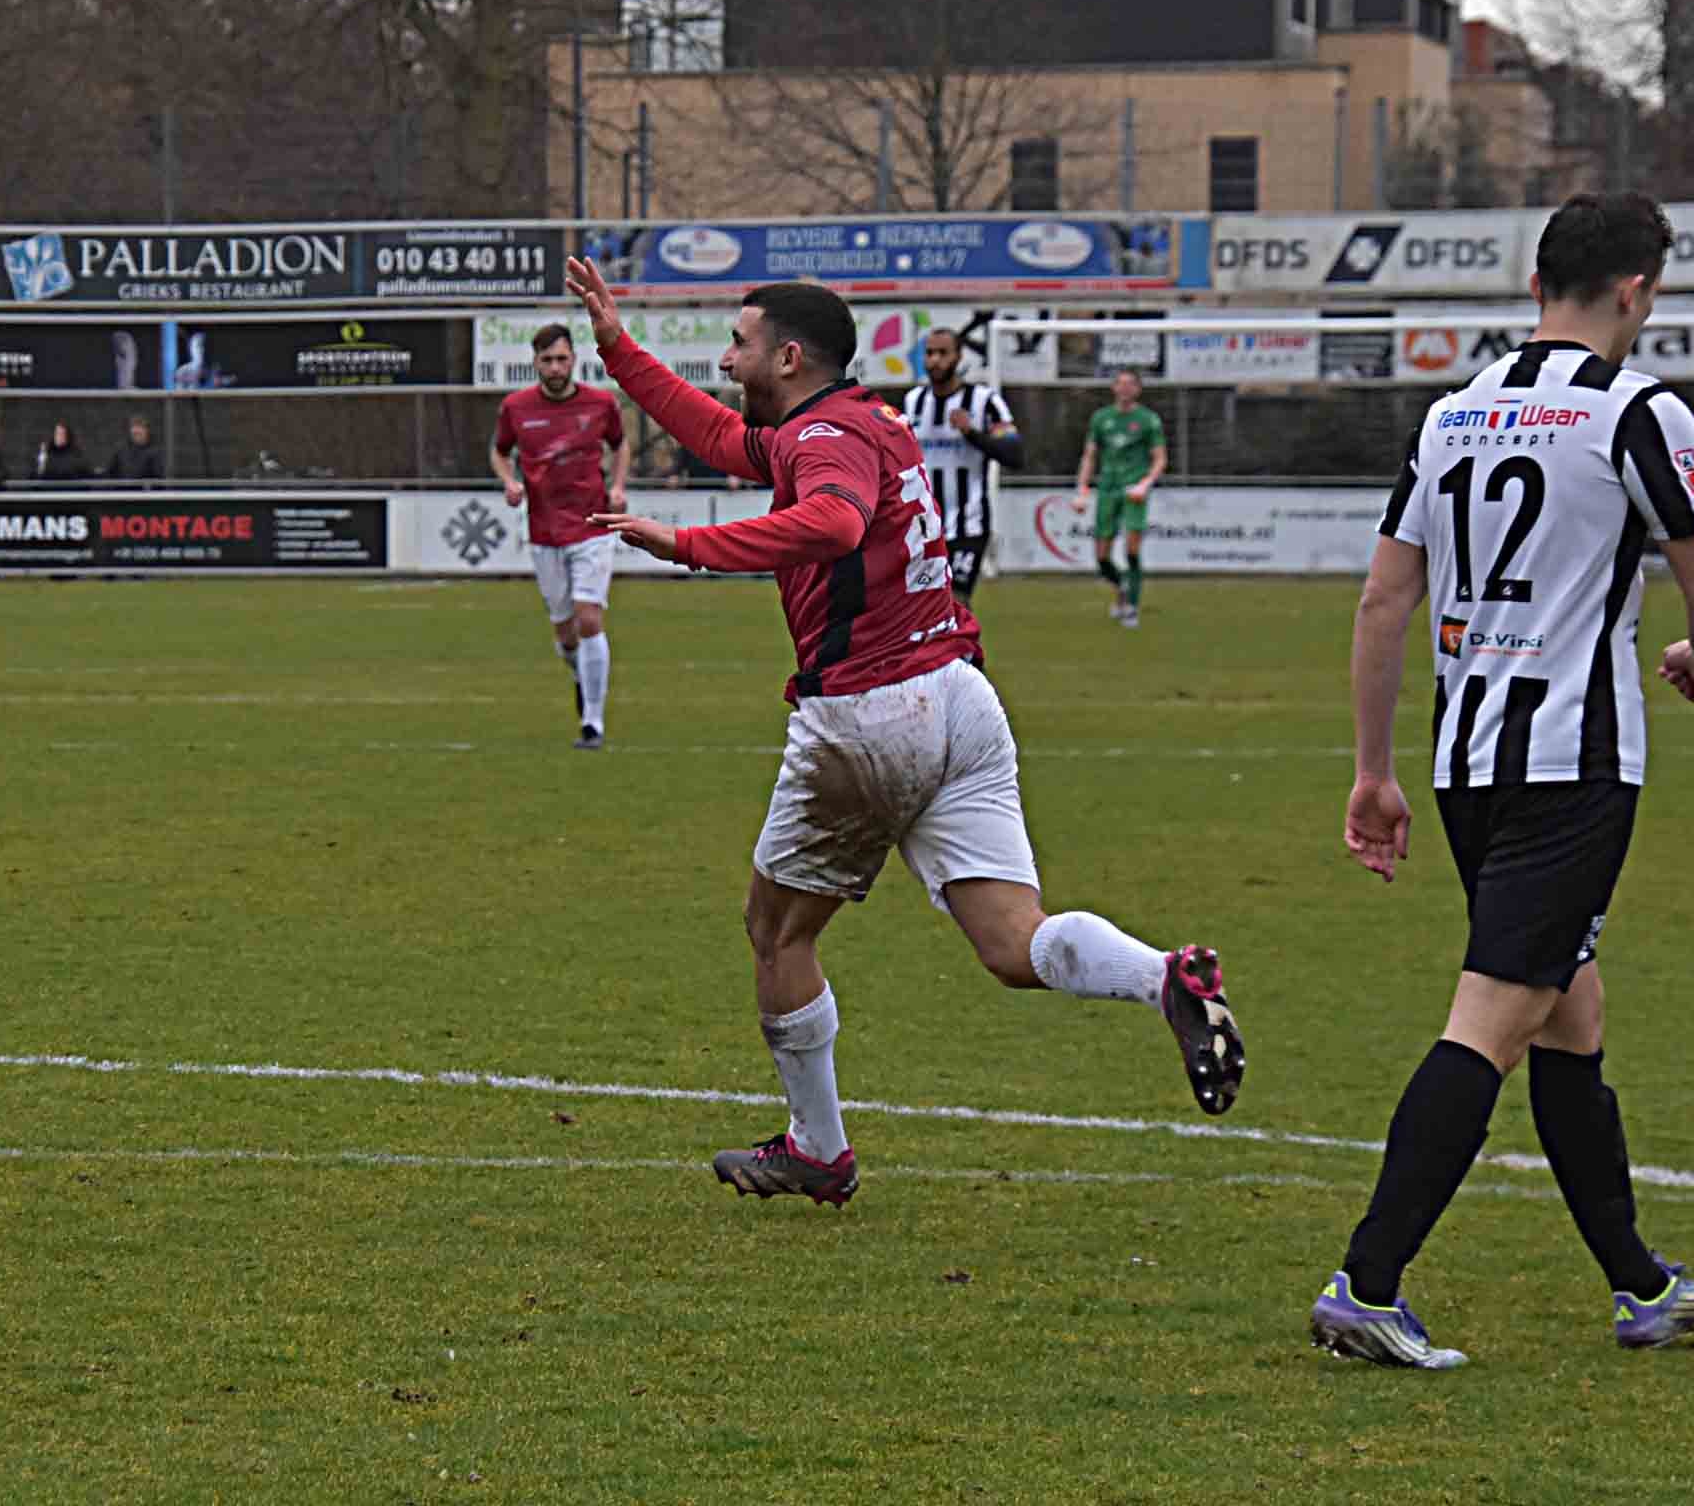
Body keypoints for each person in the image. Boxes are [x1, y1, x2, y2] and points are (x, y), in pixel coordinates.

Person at [567, 259, 1243, 1208]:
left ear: (789, 356)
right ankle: (1163, 978)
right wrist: (614, 346)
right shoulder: (865, 419)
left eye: (738, 343)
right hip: (958, 696)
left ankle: (818, 1149)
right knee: (1015, 945)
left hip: (872, 712)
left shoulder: (823, 441)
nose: (726, 359)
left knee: (774, 931)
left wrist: (685, 547)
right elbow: (718, 433)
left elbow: (835, 523)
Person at [1310, 193, 1694, 1369]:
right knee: (1492, 1018)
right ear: (1635, 290)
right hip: (1573, 765)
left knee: (1567, 1008)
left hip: (1467, 766)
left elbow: (1380, 598)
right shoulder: (1635, 411)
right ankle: (1367, 1278)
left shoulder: (1451, 412)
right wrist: (1693, 663)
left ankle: (1639, 1285)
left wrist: (1370, 771)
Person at [490, 322, 630, 748]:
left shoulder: (600, 403)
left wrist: (619, 486)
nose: (555, 366)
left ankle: (592, 723)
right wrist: (509, 482)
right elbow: (500, 451)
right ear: (535, 363)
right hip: (544, 531)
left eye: (562, 358)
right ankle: (580, 672)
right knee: (566, 632)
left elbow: (620, 445)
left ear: (574, 360)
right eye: (547, 359)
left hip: (592, 526)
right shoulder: (516, 407)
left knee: (590, 618)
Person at [902, 327, 1020, 604]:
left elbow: (1015, 455)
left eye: (943, 353)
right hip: (923, 527)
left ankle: (959, 647)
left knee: (955, 603)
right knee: (922, 608)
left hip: (969, 525)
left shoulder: (985, 401)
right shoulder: (913, 401)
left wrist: (971, 433)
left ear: (958, 357)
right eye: (930, 353)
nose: (935, 360)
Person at [1072, 369, 1167, 627]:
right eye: (1120, 384)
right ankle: (1123, 588)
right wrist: (1082, 489)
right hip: (1108, 489)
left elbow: (1159, 459)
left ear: (1137, 389)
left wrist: (1145, 484)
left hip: (1133, 490)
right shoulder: (1101, 418)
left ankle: (1131, 608)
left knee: (1132, 549)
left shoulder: (1148, 420)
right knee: (1102, 557)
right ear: (1114, 388)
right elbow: (1090, 456)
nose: (1125, 388)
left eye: (1130, 384)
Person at [113, 413, 162, 480]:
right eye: (134, 427)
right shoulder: (121, 450)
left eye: (140, 427)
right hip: (122, 489)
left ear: (146, 430)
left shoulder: (155, 452)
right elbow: (111, 472)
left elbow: (158, 477)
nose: (136, 430)